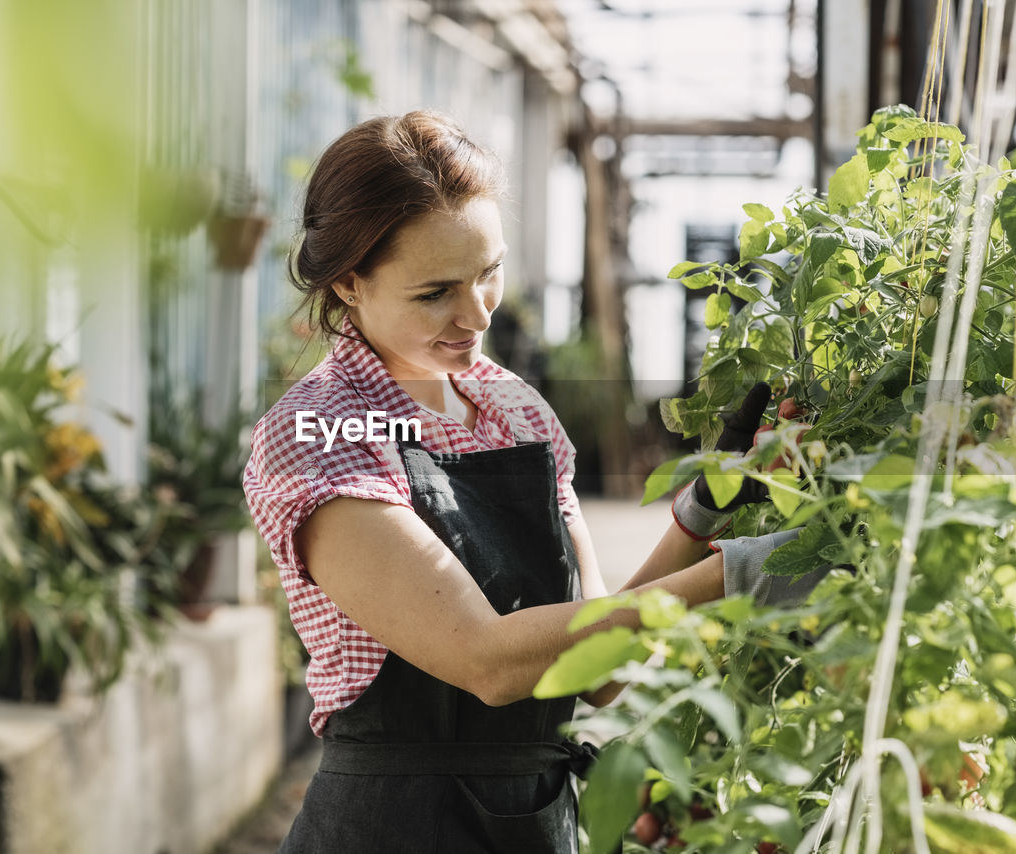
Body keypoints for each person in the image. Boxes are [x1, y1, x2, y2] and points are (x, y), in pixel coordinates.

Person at [242, 110, 827, 854]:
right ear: (351, 284)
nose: (477, 313)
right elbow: (486, 659)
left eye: (490, 272)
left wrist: (702, 515)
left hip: (536, 823)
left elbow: (593, 666)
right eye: (435, 293)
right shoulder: (319, 431)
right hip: (393, 827)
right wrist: (735, 577)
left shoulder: (513, 408)